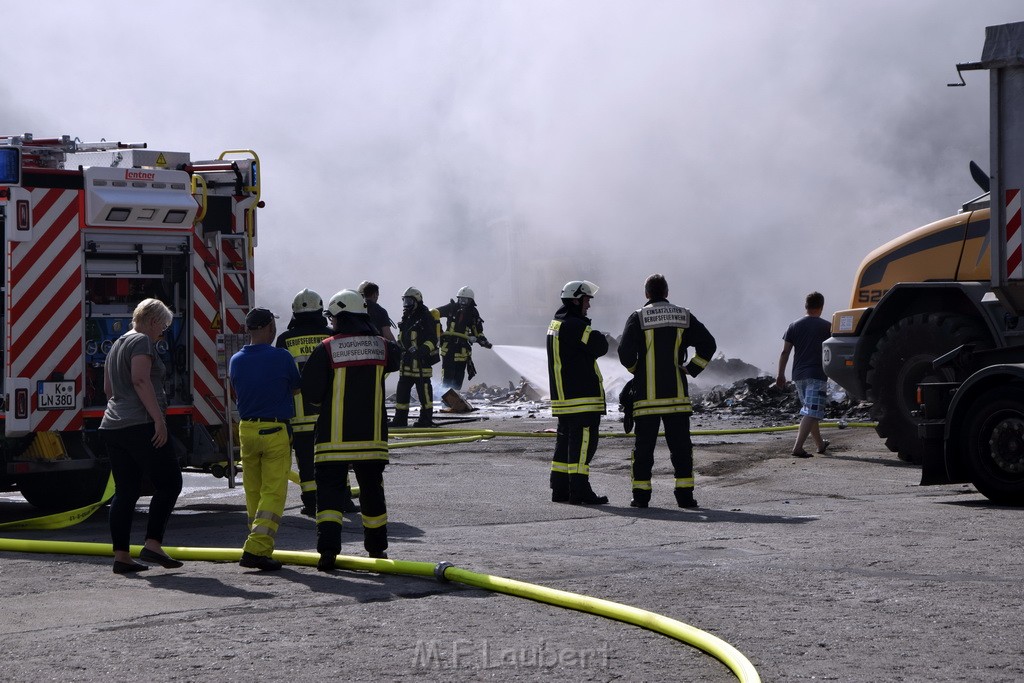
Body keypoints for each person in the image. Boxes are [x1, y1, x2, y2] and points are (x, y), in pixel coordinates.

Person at [301, 289, 401, 570]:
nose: (331, 323)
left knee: (330, 498)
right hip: (371, 440)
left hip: (333, 441)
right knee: (372, 492)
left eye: (333, 317)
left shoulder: (327, 348)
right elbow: (396, 356)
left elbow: (310, 391)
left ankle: (329, 553)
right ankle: (378, 550)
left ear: (341, 316)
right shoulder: (382, 347)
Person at [100, 298, 185, 574]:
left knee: (126, 490)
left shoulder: (117, 344)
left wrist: (122, 409)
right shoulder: (142, 342)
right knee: (170, 483)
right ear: (152, 321)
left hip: (113, 425)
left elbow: (108, 389)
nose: (164, 331)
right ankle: (152, 543)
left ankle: (122, 556)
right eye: (164, 325)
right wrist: (158, 420)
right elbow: (140, 379)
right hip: (140, 424)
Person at [617, 274, 717, 509]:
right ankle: (685, 497)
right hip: (677, 399)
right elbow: (709, 344)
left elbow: (624, 353)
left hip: (646, 400)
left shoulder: (638, 317)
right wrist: (692, 368)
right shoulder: (683, 315)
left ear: (647, 294)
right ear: (667, 292)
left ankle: (641, 498)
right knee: (681, 450)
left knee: (643, 451)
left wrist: (637, 371)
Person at [229, 307, 301, 571]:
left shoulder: (236, 359)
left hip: (247, 430)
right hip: (274, 432)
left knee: (253, 492)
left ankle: (258, 544)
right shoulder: (281, 357)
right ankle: (256, 548)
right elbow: (295, 386)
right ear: (271, 326)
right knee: (272, 492)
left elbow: (235, 392)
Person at [276, 289, 359, 517]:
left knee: (306, 463)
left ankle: (311, 503)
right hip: (330, 411)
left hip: (299, 415)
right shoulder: (332, 335)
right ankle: (344, 501)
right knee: (336, 458)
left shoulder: (284, 339)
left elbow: (281, 375)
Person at [547, 280, 610, 505]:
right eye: (586, 300)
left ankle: (560, 488)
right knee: (584, 445)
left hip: (565, 399)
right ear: (575, 299)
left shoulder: (556, 324)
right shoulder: (575, 325)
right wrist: (603, 336)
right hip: (582, 398)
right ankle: (580, 490)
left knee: (564, 444)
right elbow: (599, 347)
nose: (588, 306)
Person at [776, 291, 833, 458]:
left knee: (810, 410)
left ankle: (820, 445)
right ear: (821, 307)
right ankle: (797, 448)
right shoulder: (827, 326)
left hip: (798, 375)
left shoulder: (794, 325)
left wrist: (780, 374)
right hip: (816, 374)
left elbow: (785, 352)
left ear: (806, 306)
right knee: (812, 412)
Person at [391, 286, 440, 428]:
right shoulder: (407, 316)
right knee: (402, 393)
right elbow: (403, 337)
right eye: (404, 301)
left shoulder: (425, 316)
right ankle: (400, 419)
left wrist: (422, 350)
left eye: (409, 301)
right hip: (406, 364)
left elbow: (432, 339)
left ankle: (425, 419)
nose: (406, 305)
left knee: (424, 393)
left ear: (417, 301)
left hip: (421, 363)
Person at [434, 286, 492, 391]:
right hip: (449, 348)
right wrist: (439, 332)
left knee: (458, 378)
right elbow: (434, 313)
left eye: (465, 300)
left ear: (470, 301)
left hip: (463, 350)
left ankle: (455, 401)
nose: (462, 302)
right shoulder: (451, 307)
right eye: (460, 299)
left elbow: (478, 331)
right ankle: (445, 399)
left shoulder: (473, 312)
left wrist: (483, 340)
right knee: (448, 376)